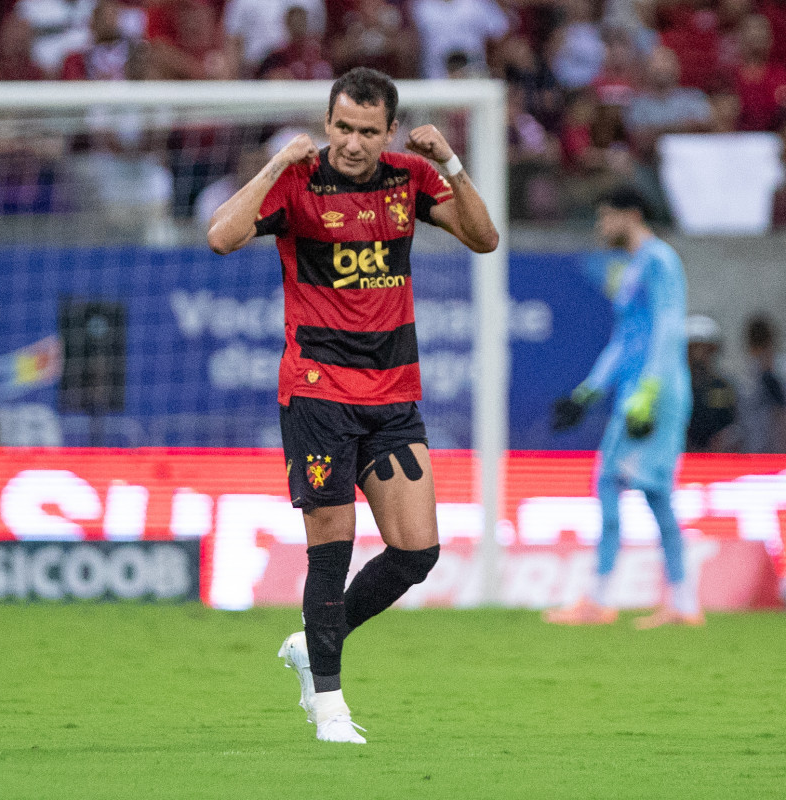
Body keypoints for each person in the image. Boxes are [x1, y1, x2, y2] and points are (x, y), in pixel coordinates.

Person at [207, 67, 498, 743]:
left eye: (368, 131)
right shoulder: (300, 179)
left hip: (393, 394)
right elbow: (221, 236)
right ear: (328, 120)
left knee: (416, 551)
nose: (353, 143)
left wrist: (451, 162)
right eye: (342, 127)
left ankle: (313, 646)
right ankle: (329, 705)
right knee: (330, 554)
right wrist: (277, 160)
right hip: (318, 393)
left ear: (389, 132)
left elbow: (485, 239)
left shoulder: (410, 179)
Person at [546, 187, 699, 628]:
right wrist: (588, 393)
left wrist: (649, 391)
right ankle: (684, 603)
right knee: (653, 493)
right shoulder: (634, 267)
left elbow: (670, 328)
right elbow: (625, 340)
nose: (599, 227)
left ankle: (600, 598)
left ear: (629, 214)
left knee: (611, 481)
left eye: (603, 216)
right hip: (641, 390)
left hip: (657, 391)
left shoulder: (660, 260)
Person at [684, 314, 739, 452]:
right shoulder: (679, 388)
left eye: (705, 349)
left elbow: (735, 424)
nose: (698, 356)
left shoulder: (724, 387)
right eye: (693, 349)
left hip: (718, 458)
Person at [738, 314, 786, 452]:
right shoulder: (748, 375)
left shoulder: (781, 369)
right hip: (755, 449)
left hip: (779, 447)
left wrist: (770, 377)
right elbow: (744, 417)